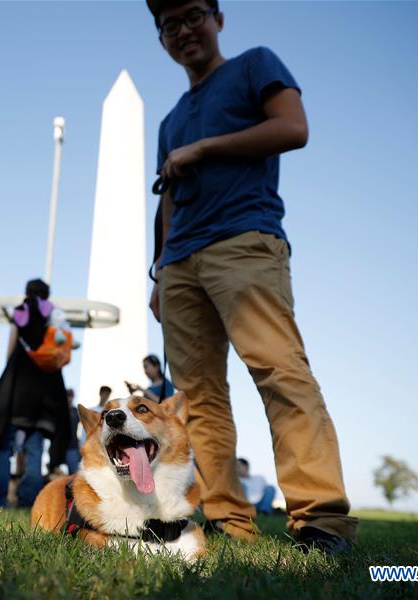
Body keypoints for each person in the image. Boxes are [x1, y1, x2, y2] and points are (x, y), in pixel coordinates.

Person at [144, 0, 357, 553]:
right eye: (170, 24)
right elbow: (166, 199)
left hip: (244, 239)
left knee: (279, 371)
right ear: (160, 37)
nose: (184, 30)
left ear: (218, 16)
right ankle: (225, 519)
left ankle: (321, 519)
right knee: (196, 399)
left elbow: (294, 127)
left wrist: (205, 147)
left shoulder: (255, 64)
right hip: (180, 262)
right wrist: (158, 274)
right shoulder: (169, 120)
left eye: (193, 15)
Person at [0, 278, 70, 508]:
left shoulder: (21, 312)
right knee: (35, 451)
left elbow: (11, 349)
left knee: (4, 447)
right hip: (46, 394)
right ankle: (28, 502)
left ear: (27, 292)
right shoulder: (56, 315)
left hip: (18, 390)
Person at [64, 389, 80, 475]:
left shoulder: (75, 411)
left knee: (73, 474)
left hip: (72, 446)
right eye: (68, 396)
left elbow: (81, 428)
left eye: (71, 396)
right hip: (60, 447)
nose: (69, 398)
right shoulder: (60, 410)